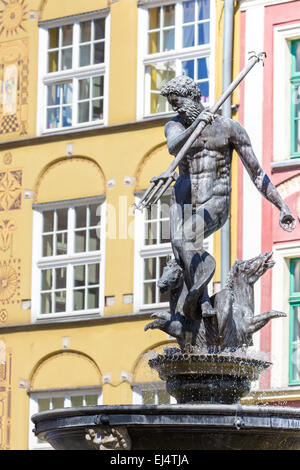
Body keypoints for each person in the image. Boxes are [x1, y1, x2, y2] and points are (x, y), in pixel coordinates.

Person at [154, 75, 296, 319]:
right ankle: (203, 302)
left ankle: (199, 295)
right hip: (186, 199)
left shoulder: (228, 128)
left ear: (192, 97)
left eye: (177, 102)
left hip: (216, 201)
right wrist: (194, 125)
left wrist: (282, 205)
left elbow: (257, 173)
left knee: (183, 239)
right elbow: (173, 146)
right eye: (172, 104)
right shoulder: (176, 126)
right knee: (184, 246)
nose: (175, 108)